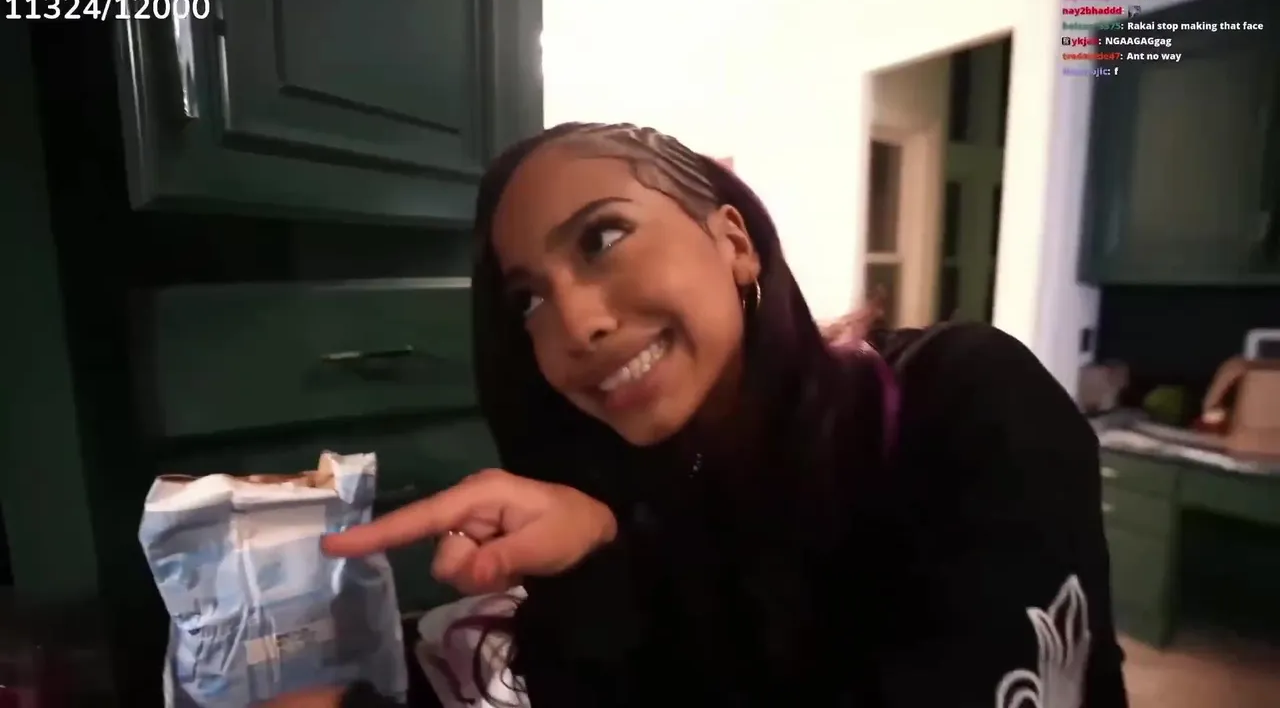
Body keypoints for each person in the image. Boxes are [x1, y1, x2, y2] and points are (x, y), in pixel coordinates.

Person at [267, 123, 1128, 707]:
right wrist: (597, 565)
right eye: (527, 300)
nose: (575, 326)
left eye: (603, 238)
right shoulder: (641, 492)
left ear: (735, 242)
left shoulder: (966, 399)